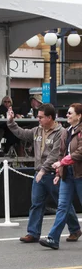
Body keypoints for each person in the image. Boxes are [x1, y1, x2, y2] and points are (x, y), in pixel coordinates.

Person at [6, 103, 80, 243]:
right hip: (39, 172)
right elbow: (22, 134)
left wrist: (44, 169)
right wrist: (11, 122)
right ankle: (33, 232)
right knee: (36, 203)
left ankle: (75, 228)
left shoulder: (61, 132)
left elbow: (55, 154)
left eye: (41, 117)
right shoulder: (37, 130)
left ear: (50, 117)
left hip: (54, 173)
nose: (38, 119)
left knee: (62, 204)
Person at [39, 103, 82, 250]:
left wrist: (61, 162)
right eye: (67, 113)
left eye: (70, 113)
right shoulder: (67, 131)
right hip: (68, 174)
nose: (68, 115)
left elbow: (79, 152)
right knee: (62, 206)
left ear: (79, 116)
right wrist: (59, 172)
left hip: (80, 174)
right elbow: (61, 152)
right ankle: (53, 238)